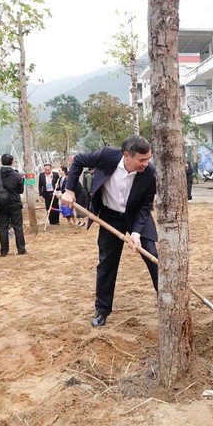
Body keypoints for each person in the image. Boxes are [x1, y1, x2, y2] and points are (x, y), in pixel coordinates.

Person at [61, 135, 158, 328]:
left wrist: (137, 234)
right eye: (142, 159)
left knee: (153, 256)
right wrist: (69, 190)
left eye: (148, 159)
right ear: (127, 155)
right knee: (106, 263)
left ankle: (166, 300)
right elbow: (78, 160)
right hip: (109, 216)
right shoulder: (106, 156)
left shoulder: (149, 173)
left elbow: (146, 205)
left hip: (136, 215)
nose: (146, 164)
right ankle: (102, 310)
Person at [0, 154, 26, 257]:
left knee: (3, 227)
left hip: (1, 203)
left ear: (1, 161)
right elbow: (20, 190)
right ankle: (21, 249)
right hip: (14, 203)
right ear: (12, 162)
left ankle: (4, 251)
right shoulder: (16, 175)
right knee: (18, 226)